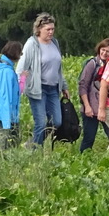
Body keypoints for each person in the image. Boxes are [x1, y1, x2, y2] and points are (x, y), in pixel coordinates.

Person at [17, 12, 69, 147]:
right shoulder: (32, 44)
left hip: (53, 89)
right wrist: (20, 86)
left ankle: (32, 143)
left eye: (52, 29)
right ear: (39, 29)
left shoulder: (55, 43)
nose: (51, 32)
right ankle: (34, 151)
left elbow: (58, 68)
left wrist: (64, 86)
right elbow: (21, 67)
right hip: (38, 89)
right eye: (48, 29)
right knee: (40, 123)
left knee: (56, 122)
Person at [77, 39, 109, 152]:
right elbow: (83, 86)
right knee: (89, 139)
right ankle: (82, 161)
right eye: (103, 50)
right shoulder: (92, 64)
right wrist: (87, 106)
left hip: (107, 107)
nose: (104, 53)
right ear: (99, 49)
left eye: (108, 51)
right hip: (91, 109)